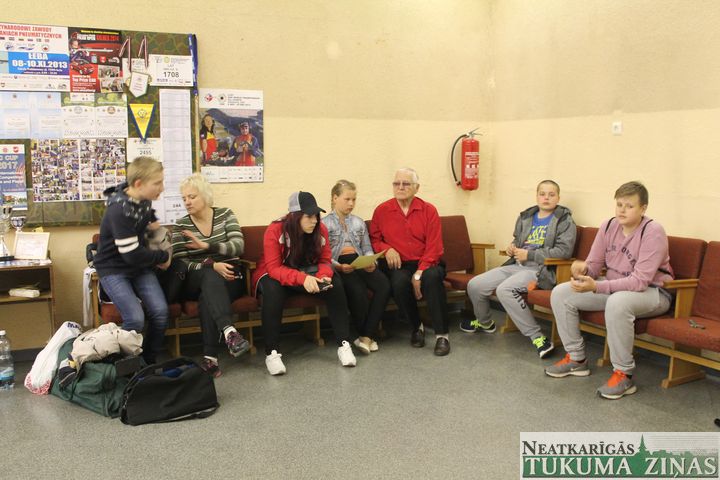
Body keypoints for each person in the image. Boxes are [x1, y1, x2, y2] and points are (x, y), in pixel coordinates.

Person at [545, 181, 674, 399]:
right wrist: (582, 270)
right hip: (614, 289)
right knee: (561, 293)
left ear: (643, 208)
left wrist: (597, 286)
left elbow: (639, 282)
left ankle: (624, 374)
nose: (622, 210)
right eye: (619, 204)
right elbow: (594, 266)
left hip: (654, 293)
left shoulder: (653, 231)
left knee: (618, 302)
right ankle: (576, 359)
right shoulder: (608, 226)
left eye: (629, 206)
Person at [463, 180, 576, 358]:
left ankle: (538, 338)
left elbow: (564, 251)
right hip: (516, 265)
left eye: (551, 194)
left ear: (558, 198)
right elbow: (518, 240)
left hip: (540, 271)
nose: (546, 198)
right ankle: (485, 323)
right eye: (542, 194)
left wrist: (530, 255)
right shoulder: (526, 216)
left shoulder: (564, 220)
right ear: (536, 196)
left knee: (505, 290)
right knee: (475, 284)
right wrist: (512, 247)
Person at [251, 191, 357, 375]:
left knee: (335, 283)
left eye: (316, 215)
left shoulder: (320, 229)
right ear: (295, 216)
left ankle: (344, 344)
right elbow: (274, 268)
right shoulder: (275, 230)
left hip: (307, 273)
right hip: (275, 275)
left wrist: (324, 276)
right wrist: (303, 278)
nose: (314, 220)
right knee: (272, 290)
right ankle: (272, 352)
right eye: (309, 216)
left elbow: (325, 260)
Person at [169, 174, 250, 377]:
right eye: (184, 198)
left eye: (192, 196)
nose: (187, 202)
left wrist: (207, 246)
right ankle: (229, 331)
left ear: (205, 196)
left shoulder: (225, 215)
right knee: (209, 276)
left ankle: (210, 359)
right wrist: (212, 265)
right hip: (195, 278)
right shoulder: (181, 226)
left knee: (208, 297)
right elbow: (181, 262)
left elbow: (238, 246)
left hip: (230, 274)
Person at [93, 156, 171, 364]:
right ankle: (123, 365)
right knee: (135, 319)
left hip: (138, 267)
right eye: (157, 183)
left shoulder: (142, 199)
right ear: (138, 184)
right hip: (113, 268)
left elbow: (146, 217)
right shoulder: (119, 210)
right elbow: (132, 254)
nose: (162, 188)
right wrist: (162, 256)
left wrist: (153, 224)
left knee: (160, 313)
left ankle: (147, 362)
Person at [369, 167, 451, 356]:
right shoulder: (382, 210)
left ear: (417, 188)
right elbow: (374, 239)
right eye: (396, 183)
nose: (400, 187)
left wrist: (419, 273)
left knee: (432, 278)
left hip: (428, 262)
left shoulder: (428, 210)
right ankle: (416, 327)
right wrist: (386, 249)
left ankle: (442, 336)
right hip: (400, 265)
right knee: (398, 283)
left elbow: (435, 247)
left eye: (406, 183)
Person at [322, 180, 391, 354]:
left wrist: (370, 261)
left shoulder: (358, 222)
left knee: (384, 285)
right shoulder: (324, 224)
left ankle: (366, 336)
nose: (351, 203)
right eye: (347, 199)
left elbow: (366, 247)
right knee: (357, 290)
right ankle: (365, 335)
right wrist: (338, 267)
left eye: (354, 199)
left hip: (359, 260)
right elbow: (323, 255)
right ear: (335, 198)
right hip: (339, 263)